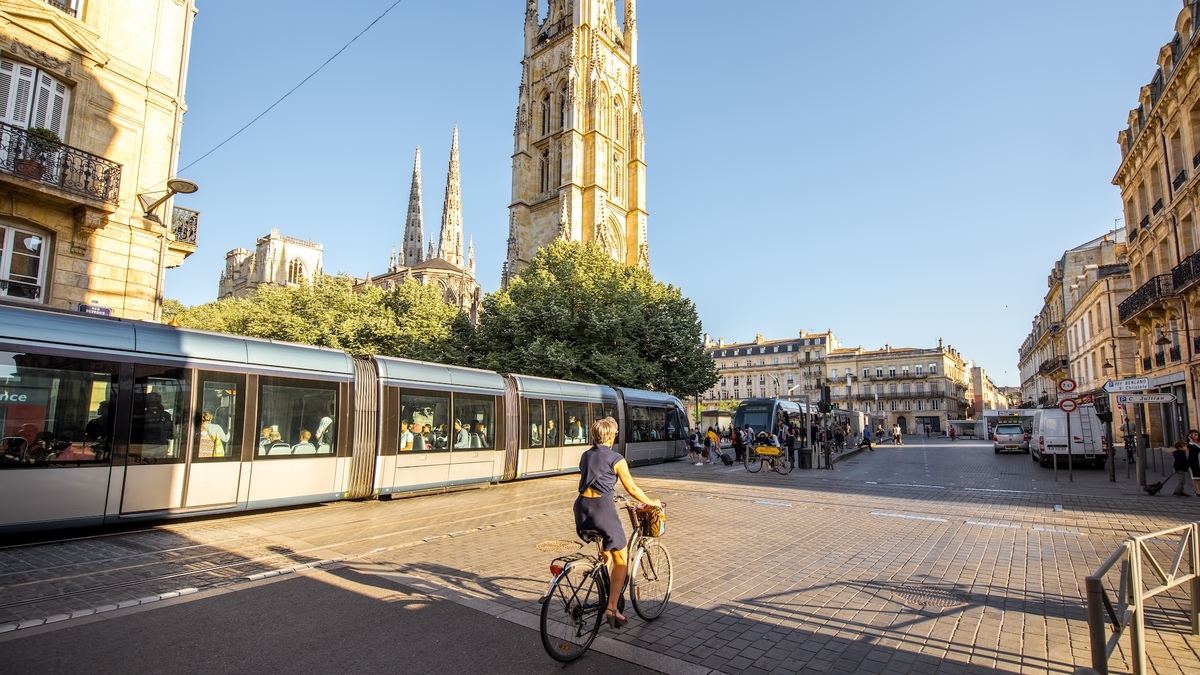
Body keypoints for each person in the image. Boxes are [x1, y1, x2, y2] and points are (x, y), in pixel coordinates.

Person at [573, 416, 659, 629]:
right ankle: (611, 608)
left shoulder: (585, 455)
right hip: (603, 509)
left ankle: (603, 577)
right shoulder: (616, 458)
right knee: (621, 559)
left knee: (606, 549)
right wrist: (651, 503)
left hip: (581, 508)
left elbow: (593, 476)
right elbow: (631, 488)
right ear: (611, 436)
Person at [1188, 430, 1200, 496]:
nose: (1195, 436)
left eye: (1196, 434)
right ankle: (1197, 490)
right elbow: (1189, 453)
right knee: (1195, 477)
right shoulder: (1190, 444)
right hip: (1194, 462)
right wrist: (1191, 441)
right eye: (1192, 434)